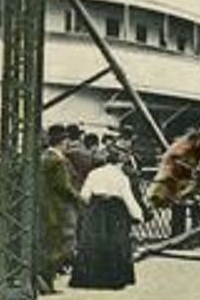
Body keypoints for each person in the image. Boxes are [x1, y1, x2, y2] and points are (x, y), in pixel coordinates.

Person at [69, 150, 144, 290]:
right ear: (120, 163)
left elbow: (85, 195)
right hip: (115, 211)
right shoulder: (121, 177)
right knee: (115, 242)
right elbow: (128, 199)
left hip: (96, 210)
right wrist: (138, 215)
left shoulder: (94, 173)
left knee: (92, 241)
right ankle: (112, 280)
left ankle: (89, 279)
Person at [41, 124, 82, 291]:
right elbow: (64, 187)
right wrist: (81, 199)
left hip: (48, 206)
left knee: (51, 244)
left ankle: (46, 281)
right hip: (61, 208)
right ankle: (45, 278)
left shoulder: (44, 157)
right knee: (65, 246)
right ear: (62, 142)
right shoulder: (58, 161)